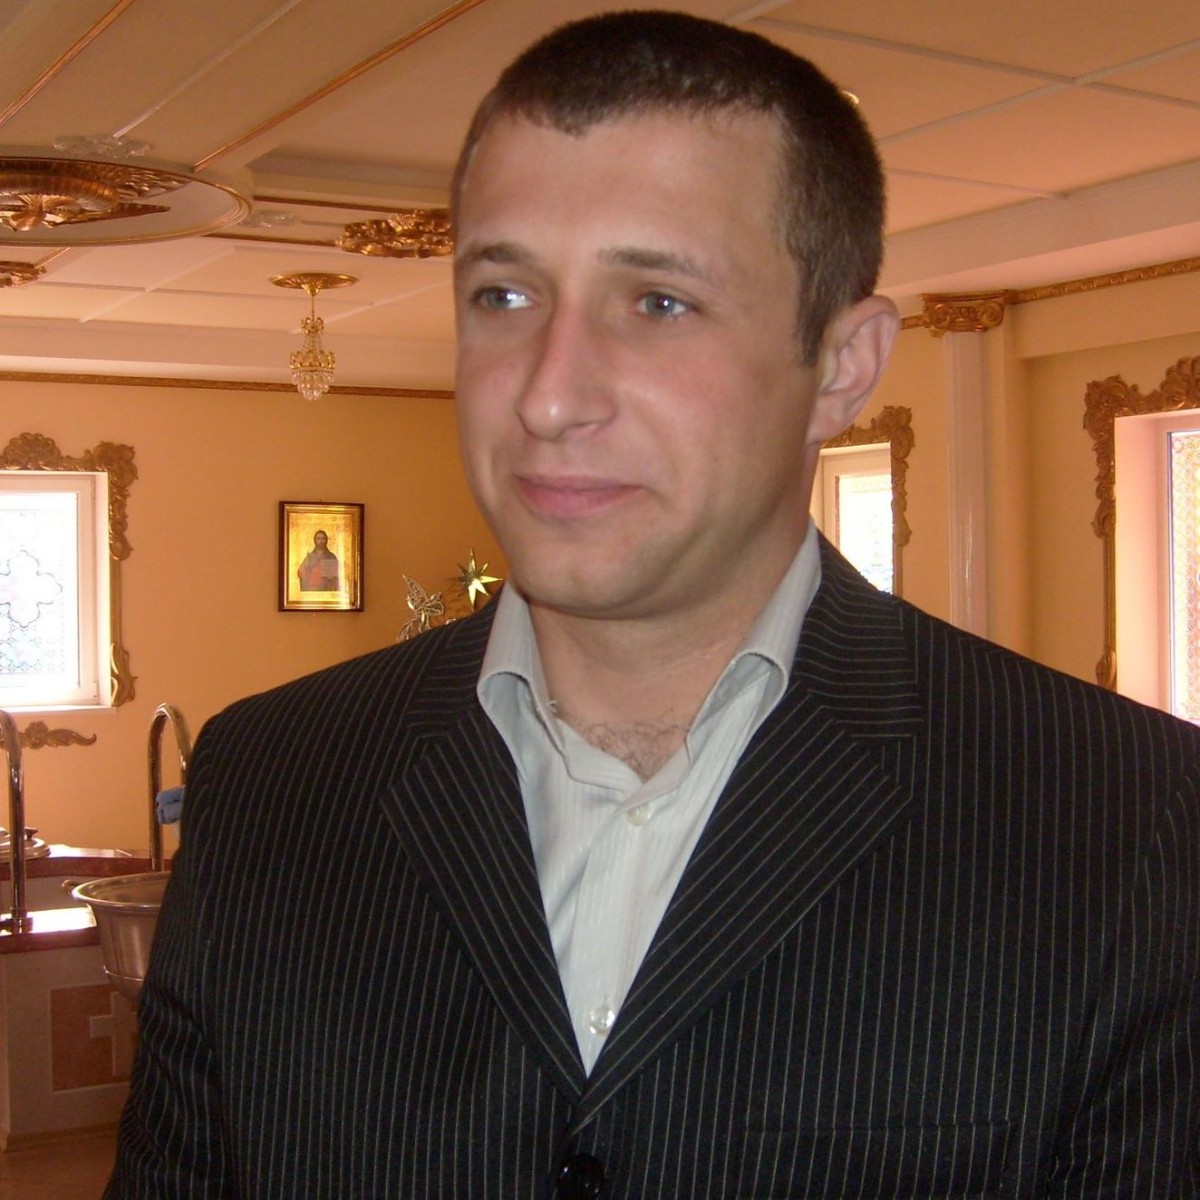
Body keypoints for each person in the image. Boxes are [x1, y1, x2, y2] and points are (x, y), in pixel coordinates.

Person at [106, 12, 1200, 1198]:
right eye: (504, 295)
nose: (549, 396)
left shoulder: (1127, 819)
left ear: (841, 366)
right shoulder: (271, 781)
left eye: (659, 302)